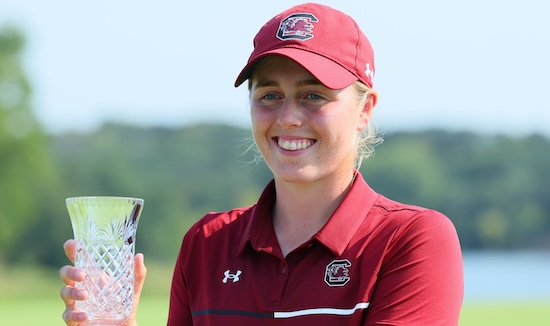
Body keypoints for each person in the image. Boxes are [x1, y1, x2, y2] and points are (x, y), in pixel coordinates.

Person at [60, 3, 464, 325]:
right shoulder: (206, 243)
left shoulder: (413, 239)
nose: (288, 117)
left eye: (314, 96)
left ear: (364, 110)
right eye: (269, 95)